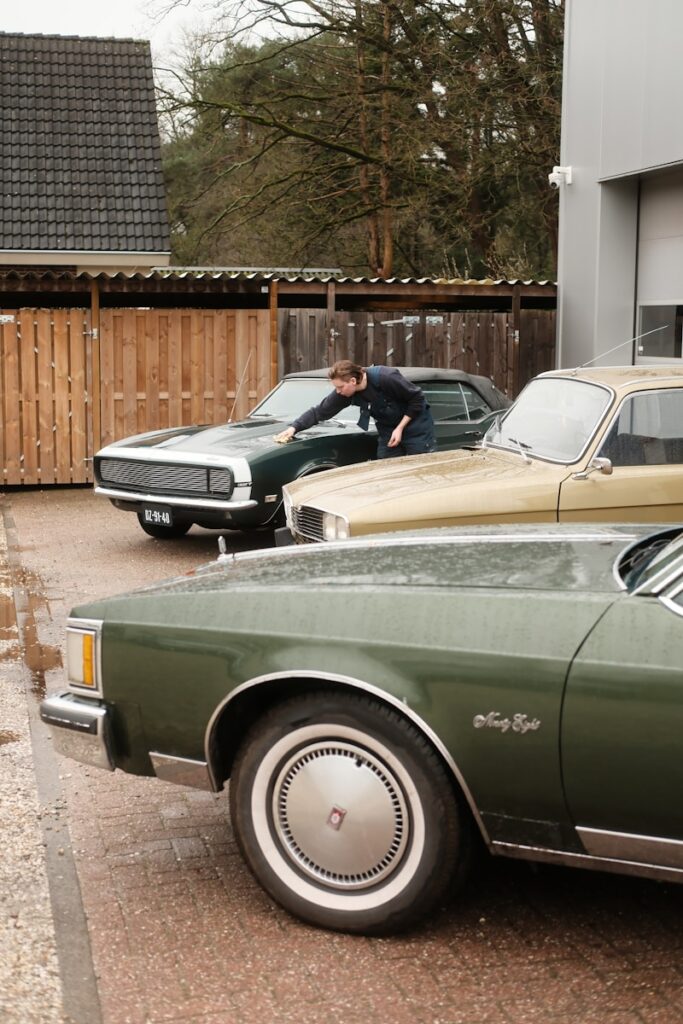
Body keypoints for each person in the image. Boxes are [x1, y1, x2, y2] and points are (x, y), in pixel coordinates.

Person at [274, 360, 436, 458]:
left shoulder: (386, 377)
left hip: (416, 425)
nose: (338, 391)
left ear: (352, 381)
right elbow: (320, 411)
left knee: (416, 468)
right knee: (387, 468)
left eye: (340, 387)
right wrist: (294, 428)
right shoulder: (345, 393)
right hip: (388, 428)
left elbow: (417, 398)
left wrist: (400, 428)